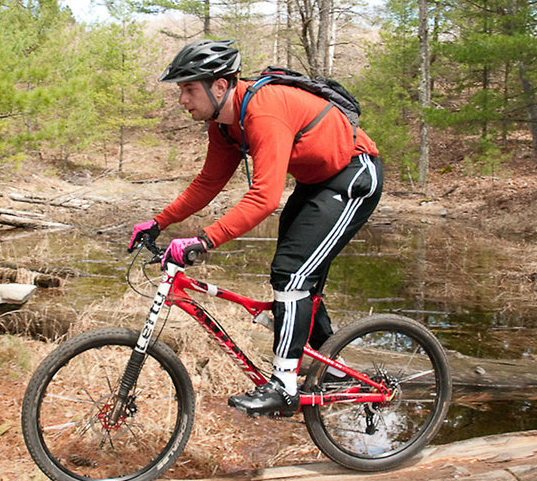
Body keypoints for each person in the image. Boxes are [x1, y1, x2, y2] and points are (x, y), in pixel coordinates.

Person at [128, 39, 383, 417]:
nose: (182, 99)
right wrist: (159, 221)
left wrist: (204, 240)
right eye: (181, 90)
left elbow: (265, 197)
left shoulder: (263, 111)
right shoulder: (224, 125)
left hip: (355, 176)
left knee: (291, 273)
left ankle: (284, 385)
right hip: (317, 183)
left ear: (219, 86)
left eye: (188, 88)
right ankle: (331, 368)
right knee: (296, 278)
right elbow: (207, 183)